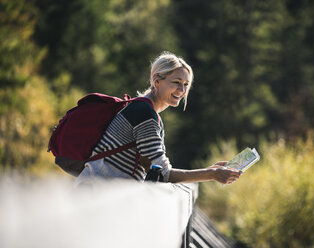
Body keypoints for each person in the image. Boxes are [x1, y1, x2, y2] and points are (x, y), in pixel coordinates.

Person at [75, 51, 241, 186]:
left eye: (186, 84)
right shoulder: (144, 113)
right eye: (176, 82)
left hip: (95, 193)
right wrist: (212, 174)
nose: (182, 90)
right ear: (157, 81)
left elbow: (153, 168)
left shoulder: (144, 110)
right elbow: (163, 172)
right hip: (94, 196)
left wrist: (212, 171)